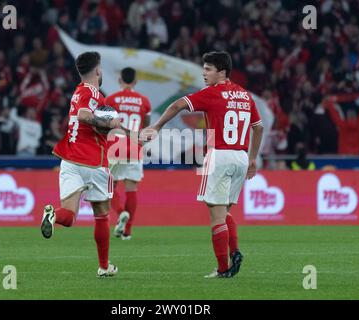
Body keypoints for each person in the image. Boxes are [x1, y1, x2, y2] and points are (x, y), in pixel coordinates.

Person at [140, 51, 263, 278]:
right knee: (224, 212)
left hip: (219, 155)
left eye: (208, 69)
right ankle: (234, 251)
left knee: (216, 216)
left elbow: (178, 105)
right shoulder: (245, 95)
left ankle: (223, 269)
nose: (204, 73)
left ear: (222, 72)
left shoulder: (211, 93)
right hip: (241, 157)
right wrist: (253, 158)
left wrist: (155, 127)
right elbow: (258, 127)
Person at [40, 51, 123, 278]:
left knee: (68, 215)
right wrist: (112, 122)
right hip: (94, 160)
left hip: (69, 159)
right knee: (102, 215)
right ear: (97, 70)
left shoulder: (77, 92)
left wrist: (109, 124)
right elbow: (86, 116)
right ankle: (104, 266)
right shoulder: (93, 91)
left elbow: (84, 117)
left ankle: (52, 216)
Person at [105, 67, 151, 240]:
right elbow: (146, 126)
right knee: (131, 189)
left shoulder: (111, 99)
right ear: (136, 81)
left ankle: (120, 212)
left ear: (119, 80)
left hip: (114, 146)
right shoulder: (144, 101)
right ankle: (127, 231)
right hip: (134, 145)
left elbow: (105, 123)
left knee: (110, 186)